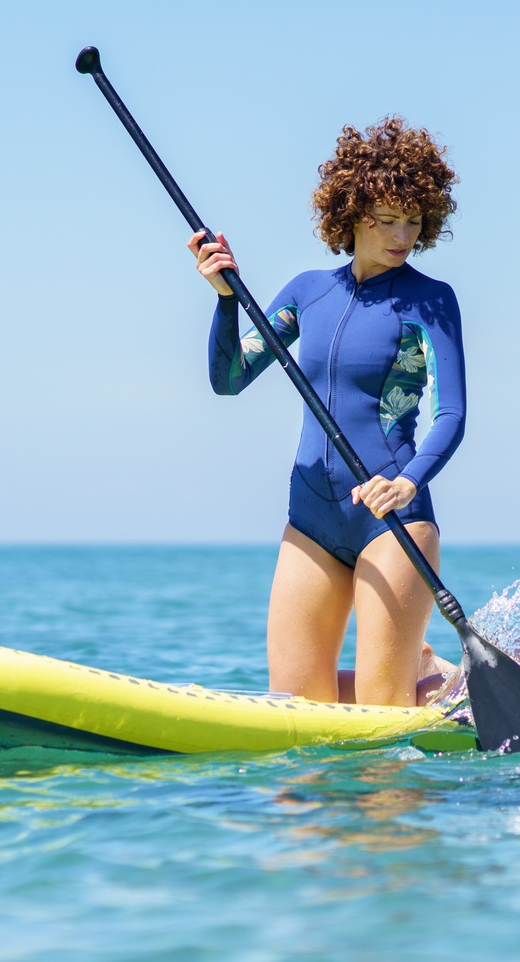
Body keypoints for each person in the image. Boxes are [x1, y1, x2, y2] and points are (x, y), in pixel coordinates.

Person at [189, 116, 464, 708]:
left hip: (393, 518)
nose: (402, 234)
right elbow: (230, 378)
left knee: (382, 726)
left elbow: (452, 414)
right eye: (385, 219)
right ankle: (432, 675)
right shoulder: (308, 292)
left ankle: (445, 683)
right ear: (350, 214)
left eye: (413, 220)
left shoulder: (429, 300)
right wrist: (226, 302)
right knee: (297, 705)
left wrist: (407, 483)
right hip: (310, 517)